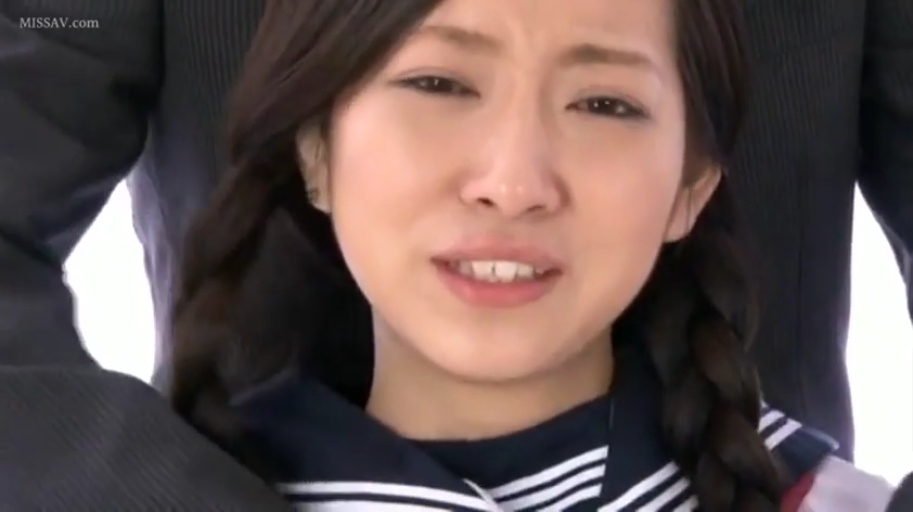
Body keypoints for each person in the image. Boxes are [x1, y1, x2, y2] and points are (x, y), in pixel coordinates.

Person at [0, 0, 910, 509]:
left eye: (604, 104)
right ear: (311, 149)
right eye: (437, 83)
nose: (511, 183)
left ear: (693, 183)